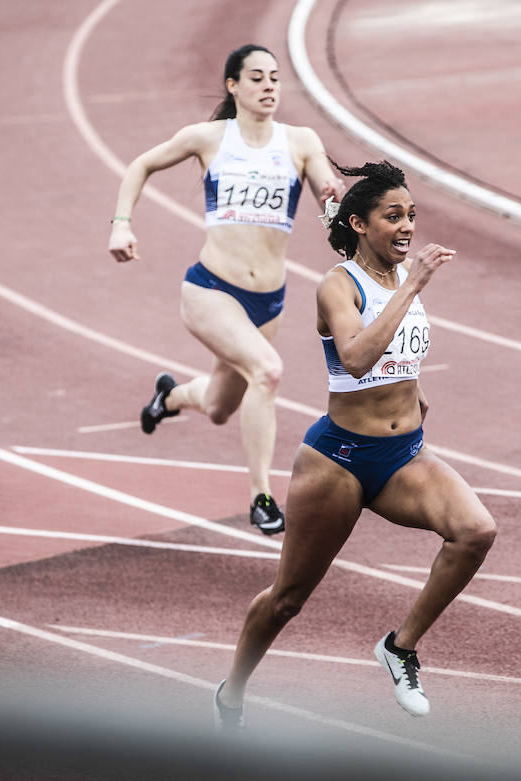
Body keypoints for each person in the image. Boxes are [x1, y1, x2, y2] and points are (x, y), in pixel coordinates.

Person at [213, 160, 497, 729]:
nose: (407, 226)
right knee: (288, 599)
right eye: (394, 216)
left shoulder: (396, 279)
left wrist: (416, 397)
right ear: (361, 225)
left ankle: (399, 647)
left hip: (403, 456)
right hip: (338, 460)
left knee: (475, 531)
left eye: (411, 215)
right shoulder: (339, 284)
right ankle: (232, 694)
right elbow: (357, 357)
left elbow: (395, 358)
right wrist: (413, 284)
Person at [108, 44, 344, 535]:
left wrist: (330, 198)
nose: (269, 86)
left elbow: (326, 183)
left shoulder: (299, 141)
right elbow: (140, 166)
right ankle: (261, 497)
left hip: (269, 304)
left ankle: (168, 398)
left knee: (218, 406)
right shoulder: (208, 138)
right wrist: (122, 224)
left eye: (275, 78)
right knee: (268, 371)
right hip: (210, 291)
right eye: (256, 78)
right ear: (233, 86)